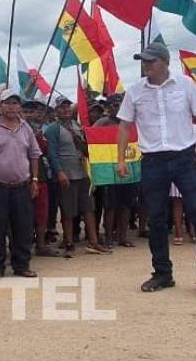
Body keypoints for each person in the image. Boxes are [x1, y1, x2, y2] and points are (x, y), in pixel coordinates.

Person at [116, 42, 196, 298]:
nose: (146, 65)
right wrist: (120, 160)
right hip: (152, 161)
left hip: (186, 159)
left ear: (165, 62)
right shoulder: (135, 91)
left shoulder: (185, 84)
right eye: (143, 61)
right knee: (156, 219)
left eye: (151, 61)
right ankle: (162, 273)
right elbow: (124, 126)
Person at [0, 91, 42, 278]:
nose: (12, 107)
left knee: (23, 228)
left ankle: (21, 265)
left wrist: (35, 180)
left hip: (22, 186)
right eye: (8, 103)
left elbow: (34, 154)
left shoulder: (25, 127)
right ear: (0, 105)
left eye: (15, 103)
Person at [45, 97, 111, 255]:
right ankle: (69, 243)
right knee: (67, 211)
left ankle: (93, 242)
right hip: (66, 174)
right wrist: (59, 172)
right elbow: (52, 153)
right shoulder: (52, 129)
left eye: (67, 106)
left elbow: (87, 148)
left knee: (89, 208)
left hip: (82, 172)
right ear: (55, 111)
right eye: (61, 107)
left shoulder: (78, 126)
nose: (65, 110)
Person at [96, 93, 138, 248]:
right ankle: (108, 237)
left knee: (126, 204)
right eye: (114, 105)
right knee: (110, 205)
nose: (117, 108)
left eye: (119, 104)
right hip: (109, 170)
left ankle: (123, 236)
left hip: (129, 168)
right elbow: (91, 143)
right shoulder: (102, 123)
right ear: (108, 108)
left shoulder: (130, 123)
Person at [21, 99, 58, 258]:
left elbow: (43, 151)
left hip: (40, 176)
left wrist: (38, 139)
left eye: (32, 112)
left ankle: (41, 245)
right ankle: (23, 246)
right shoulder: (15, 129)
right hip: (22, 177)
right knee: (23, 215)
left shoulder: (40, 130)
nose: (29, 115)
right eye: (26, 112)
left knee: (41, 213)